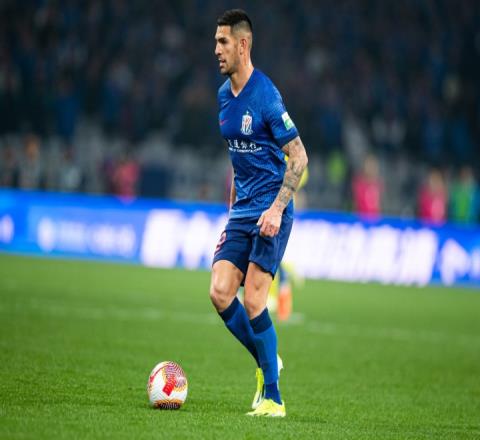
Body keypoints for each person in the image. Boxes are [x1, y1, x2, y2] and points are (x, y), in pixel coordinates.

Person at [209, 9, 308, 417]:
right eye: (216, 42)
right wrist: (234, 208)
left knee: (253, 299)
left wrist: (277, 208)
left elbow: (299, 157)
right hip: (242, 210)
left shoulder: (266, 95)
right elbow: (238, 158)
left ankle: (274, 398)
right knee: (219, 292)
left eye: (223, 42)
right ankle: (268, 361)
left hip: (271, 209)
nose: (216, 50)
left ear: (243, 44)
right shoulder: (223, 96)